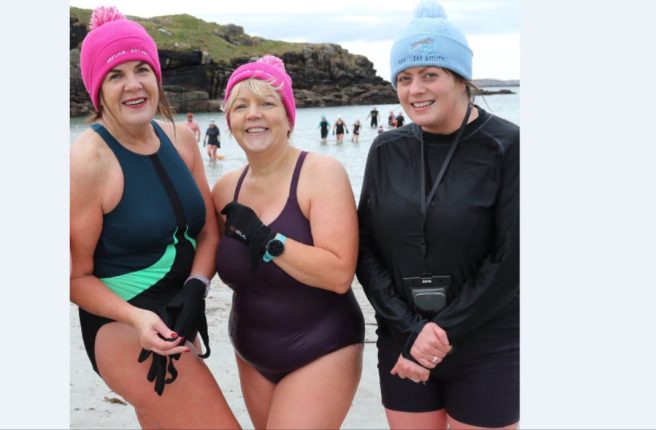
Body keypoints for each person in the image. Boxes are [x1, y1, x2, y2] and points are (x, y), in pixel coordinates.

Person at [69, 7, 240, 429]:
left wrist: (197, 287)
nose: (133, 84)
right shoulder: (88, 162)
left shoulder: (181, 140)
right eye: (115, 75)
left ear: (157, 76)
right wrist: (138, 318)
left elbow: (207, 232)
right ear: (97, 89)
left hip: (180, 312)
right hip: (122, 323)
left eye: (141, 69)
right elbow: (74, 278)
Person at [356, 1, 520, 429]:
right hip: (403, 339)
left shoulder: (508, 145)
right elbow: (365, 249)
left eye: (430, 74)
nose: (415, 89)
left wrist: (440, 334)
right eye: (404, 78)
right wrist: (410, 330)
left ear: (461, 78)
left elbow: (512, 259)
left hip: (487, 341)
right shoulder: (386, 149)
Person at [212, 54, 365, 429]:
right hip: (250, 351)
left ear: (288, 116)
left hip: (322, 347)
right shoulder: (225, 189)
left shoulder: (321, 173)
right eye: (241, 106)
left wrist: (265, 238)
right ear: (229, 121)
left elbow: (339, 274)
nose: (253, 114)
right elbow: (199, 249)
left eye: (267, 103)